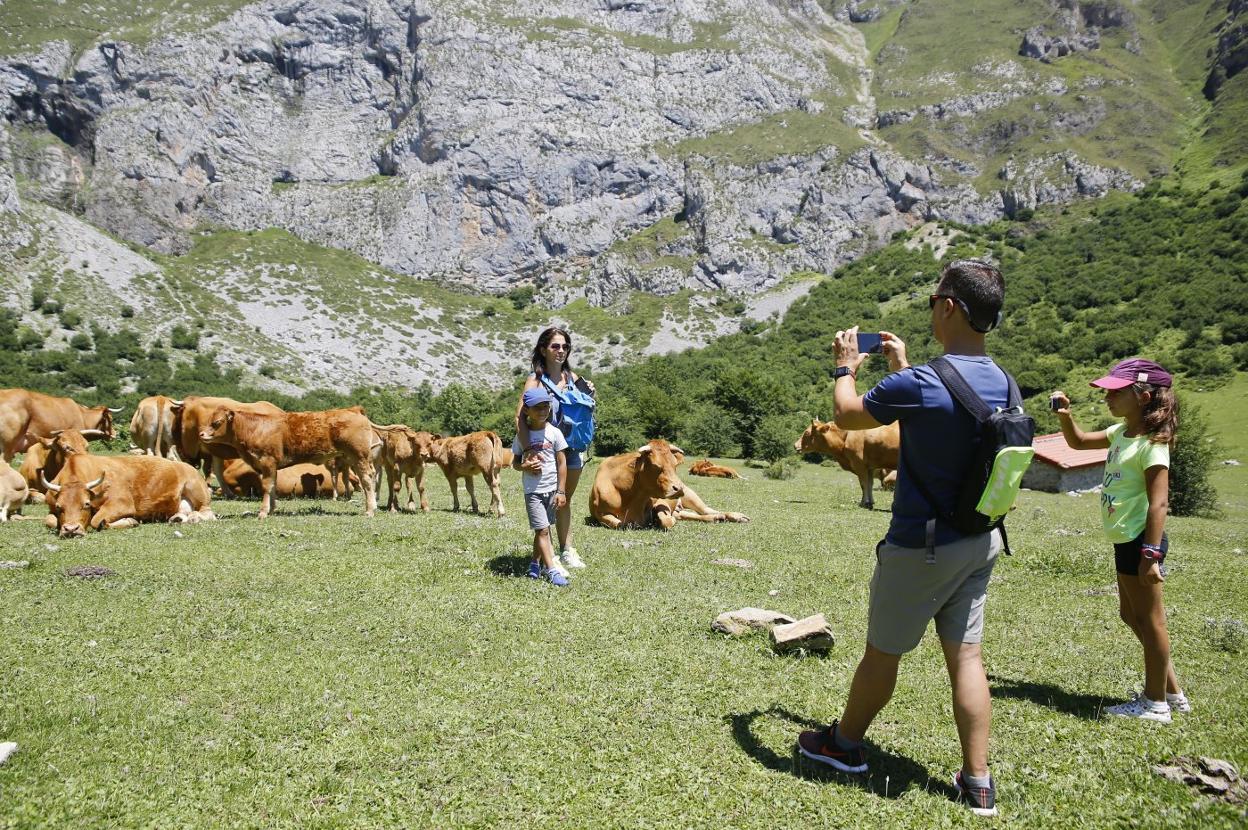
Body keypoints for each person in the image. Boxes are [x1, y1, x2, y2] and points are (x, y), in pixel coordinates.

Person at [795, 260, 1011, 818]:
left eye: (934, 299)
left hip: (922, 545)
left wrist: (845, 365)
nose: (932, 307)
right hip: (979, 539)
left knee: (882, 654)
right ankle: (978, 781)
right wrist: (904, 365)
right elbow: (947, 419)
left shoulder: (922, 383)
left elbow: (847, 413)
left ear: (950, 308)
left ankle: (842, 747)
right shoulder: (1004, 380)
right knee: (967, 658)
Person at [1051, 359, 1188, 723]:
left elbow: (1159, 502)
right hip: (1125, 538)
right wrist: (1065, 414)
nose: (1108, 397)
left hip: (1141, 540)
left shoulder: (1152, 444)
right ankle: (1172, 692)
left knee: (1151, 619)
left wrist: (1151, 553)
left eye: (1116, 391)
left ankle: (1155, 703)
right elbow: (1078, 442)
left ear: (1143, 396)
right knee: (1132, 614)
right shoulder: (1119, 433)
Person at [515, 326, 595, 573]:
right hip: (546, 449)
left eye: (565, 347)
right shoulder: (535, 380)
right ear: (543, 349)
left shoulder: (573, 378)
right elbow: (519, 417)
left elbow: (586, 409)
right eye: (555, 346)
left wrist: (591, 393)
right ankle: (549, 558)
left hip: (573, 447)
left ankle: (567, 549)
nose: (561, 351)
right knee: (548, 501)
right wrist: (529, 449)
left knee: (564, 499)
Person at [512, 387, 570, 587]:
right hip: (533, 492)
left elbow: (562, 463)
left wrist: (561, 491)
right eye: (537, 407)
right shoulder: (522, 437)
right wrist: (524, 466)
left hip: (552, 490)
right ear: (526, 410)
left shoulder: (554, 433)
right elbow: (515, 463)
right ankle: (552, 569)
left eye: (546, 406)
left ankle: (534, 563)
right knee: (543, 530)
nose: (543, 411)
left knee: (542, 530)